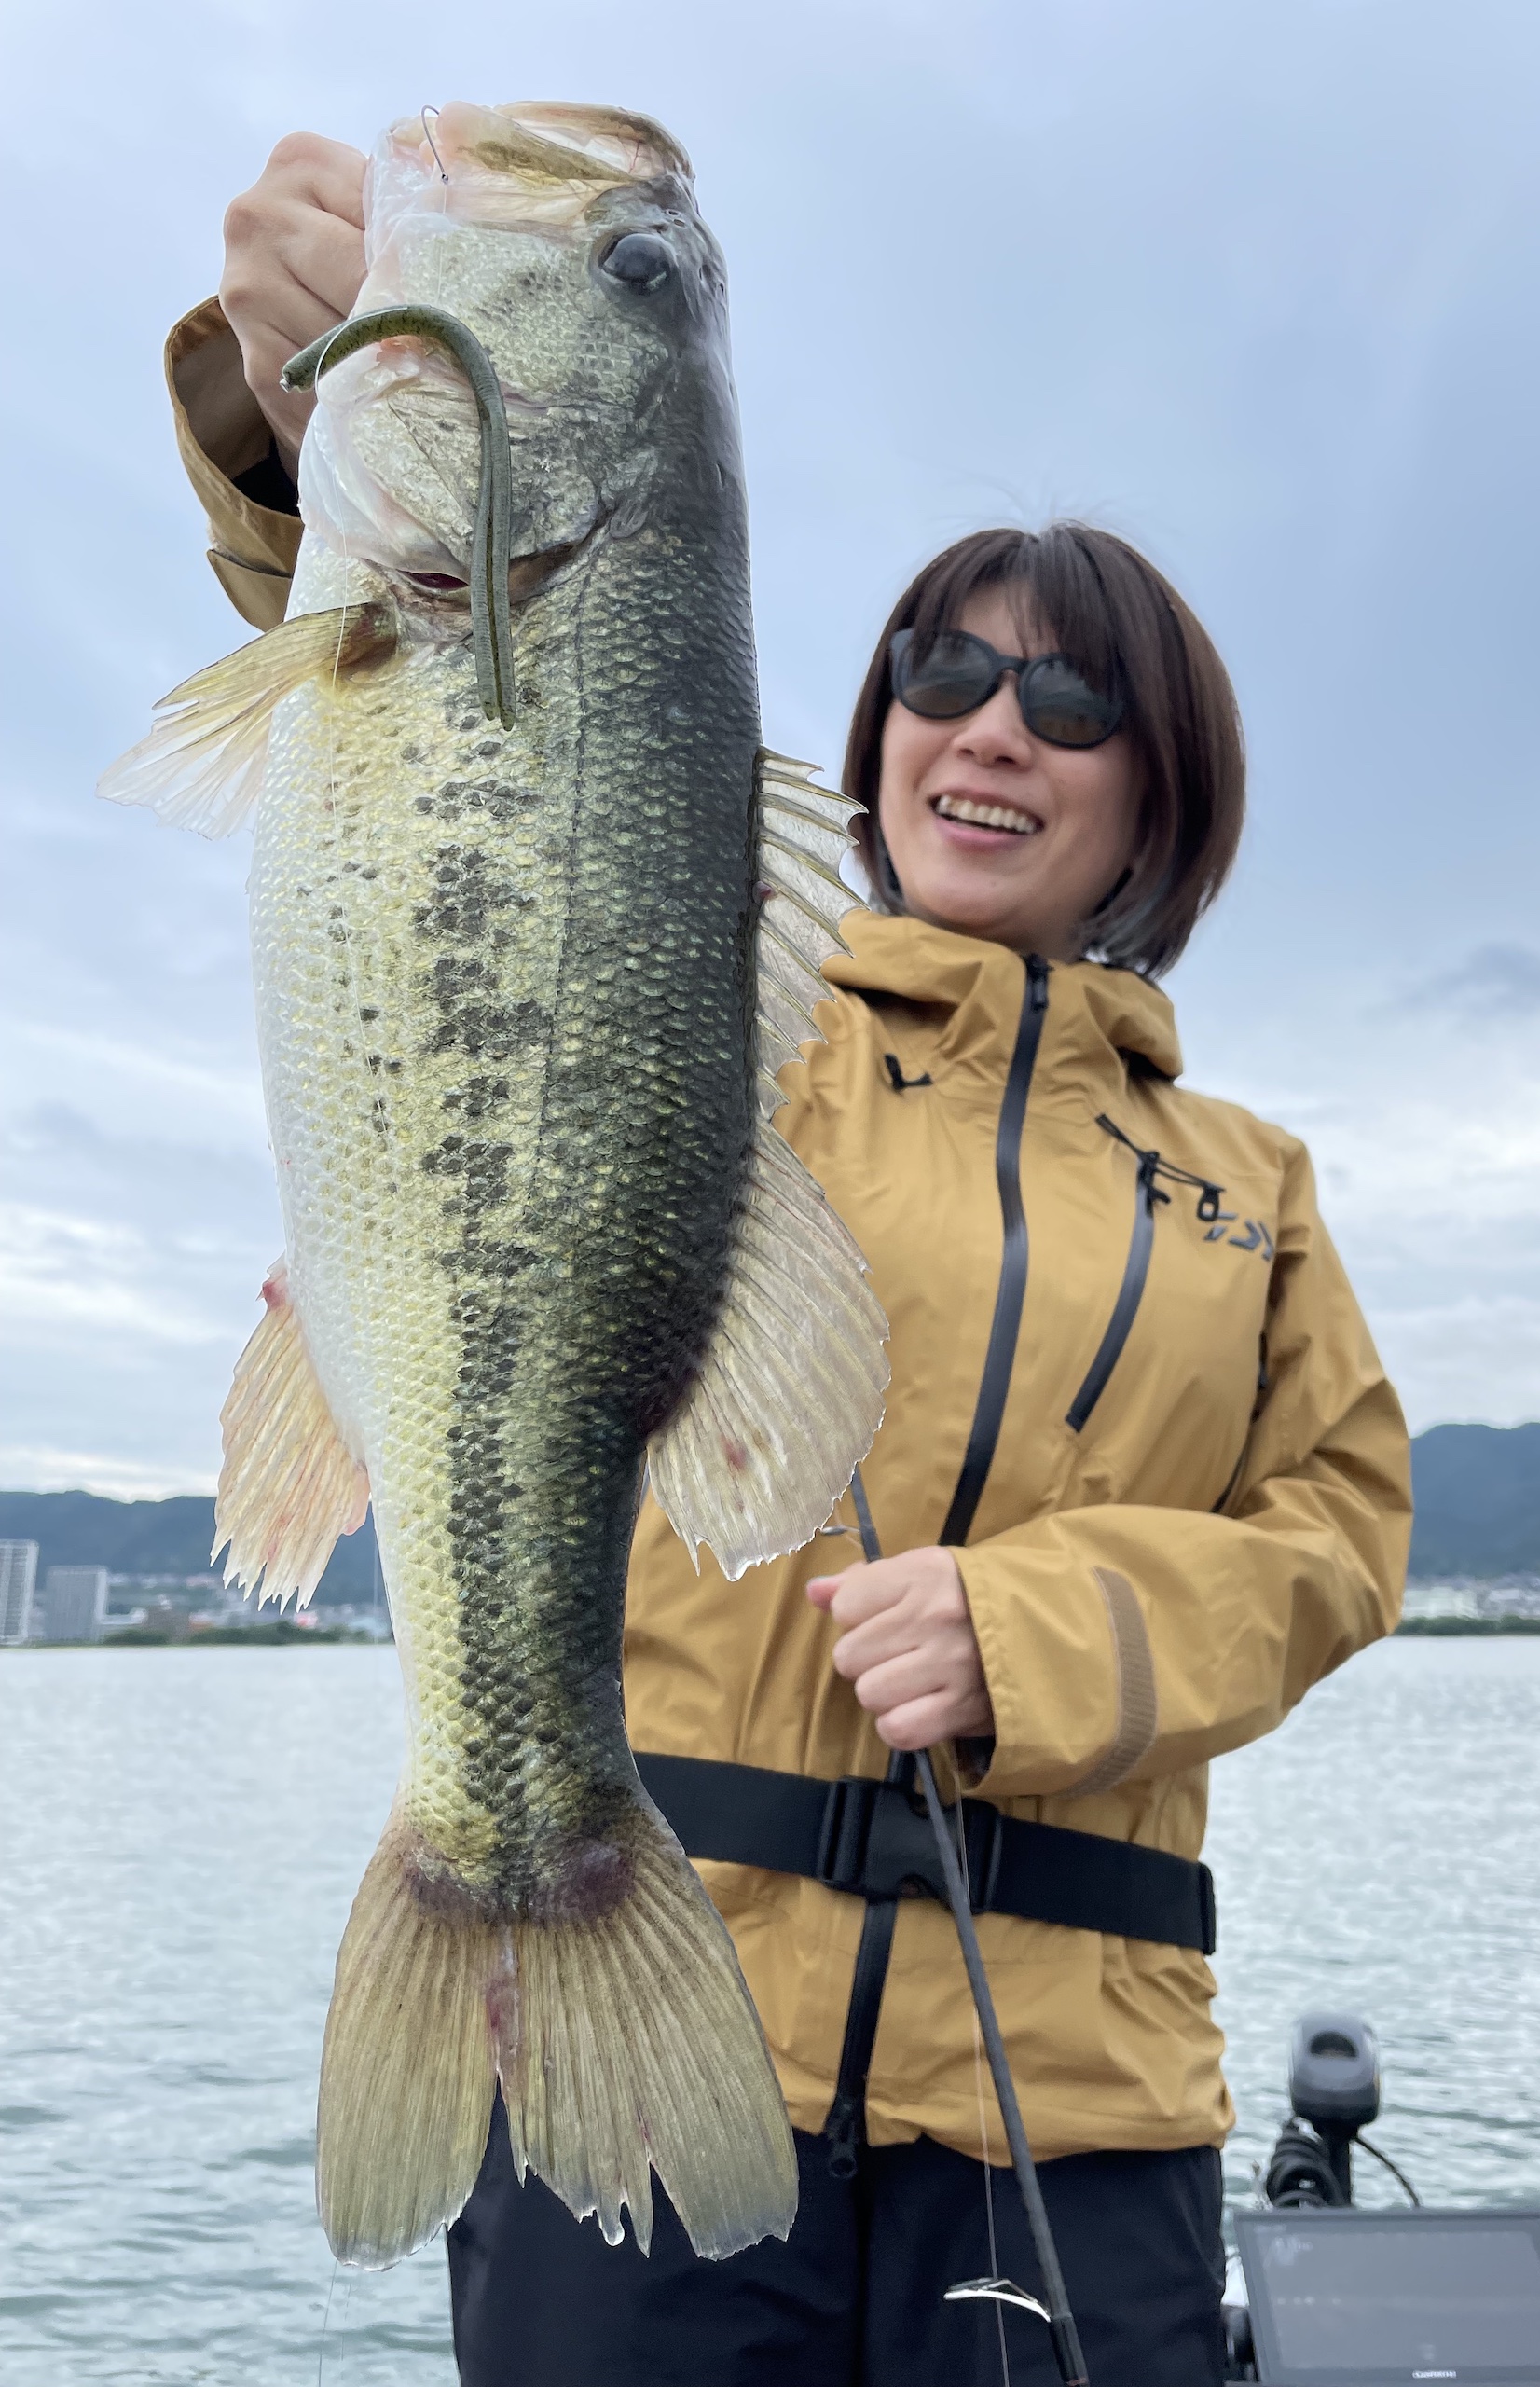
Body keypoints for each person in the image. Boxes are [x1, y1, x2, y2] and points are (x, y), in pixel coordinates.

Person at [165, 133, 1411, 2387]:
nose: (991, 725)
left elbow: (1339, 1539)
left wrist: (1039, 1627)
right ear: (881, 716)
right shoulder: (730, 1013)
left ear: (1163, 791)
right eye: (945, 665)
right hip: (655, 2015)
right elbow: (441, 732)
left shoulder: (1251, 1184)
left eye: (1072, 701)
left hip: (1072, 2104)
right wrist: (292, 426)